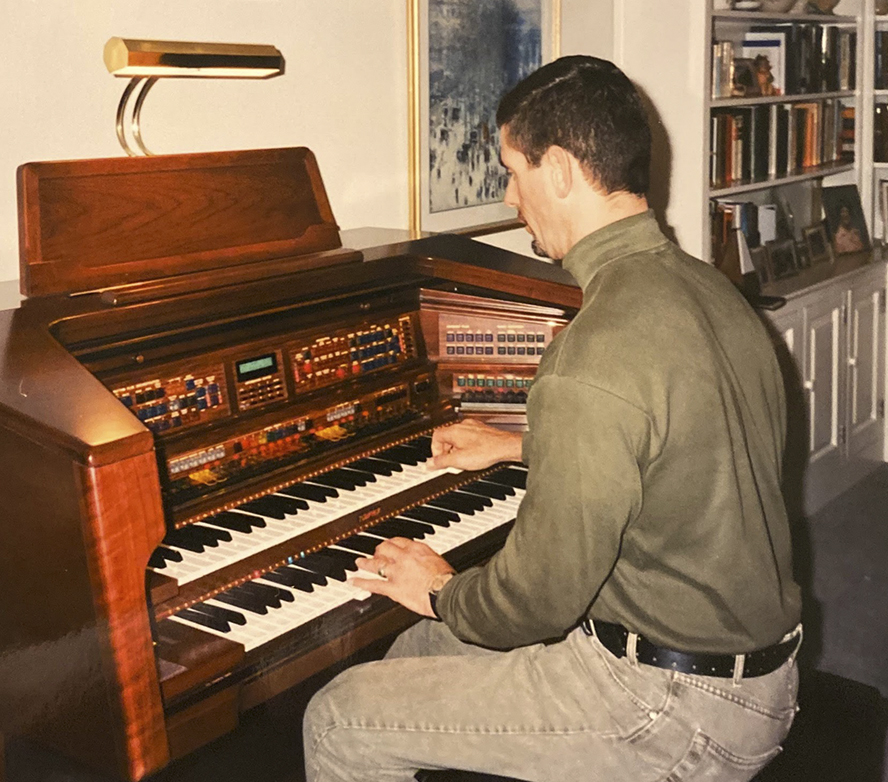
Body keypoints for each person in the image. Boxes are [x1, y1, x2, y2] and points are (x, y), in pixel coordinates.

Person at [302, 55, 802, 782]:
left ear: (561, 171)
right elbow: (677, 438)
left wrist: (440, 588)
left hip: (673, 709)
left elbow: (535, 601)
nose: (510, 197)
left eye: (513, 171)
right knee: (417, 655)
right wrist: (517, 444)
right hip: (755, 669)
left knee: (342, 716)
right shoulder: (705, 288)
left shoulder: (592, 354)